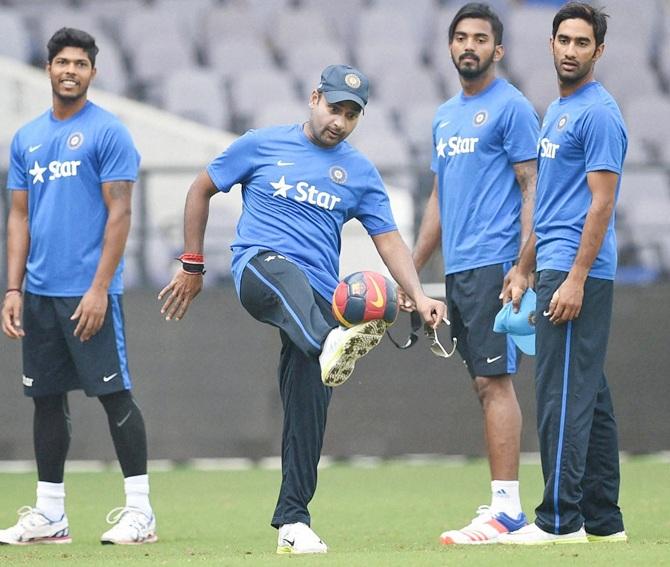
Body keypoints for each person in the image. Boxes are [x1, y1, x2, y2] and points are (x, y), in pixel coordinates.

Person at [158, 64, 446, 554]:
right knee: (307, 312)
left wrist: (418, 296)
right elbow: (199, 189)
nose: (340, 121)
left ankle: (294, 520)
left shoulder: (359, 172)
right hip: (260, 270)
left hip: (319, 297)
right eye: (335, 108)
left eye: (352, 114)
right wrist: (192, 264)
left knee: (309, 406)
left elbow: (390, 239)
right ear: (314, 98)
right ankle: (332, 343)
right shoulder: (261, 144)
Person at [0, 28, 156, 546]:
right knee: (46, 400)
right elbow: (18, 217)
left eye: (80, 64)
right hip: (39, 294)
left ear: (93, 72)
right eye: (62, 62)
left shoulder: (109, 132)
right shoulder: (25, 139)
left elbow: (121, 213)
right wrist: (13, 289)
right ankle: (50, 516)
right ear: (48, 69)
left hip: (89, 293)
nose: (70, 70)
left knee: (114, 396)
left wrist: (99, 288)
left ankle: (141, 512)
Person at [499, 2, 627, 544]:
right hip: (551, 263)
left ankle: (559, 522)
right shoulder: (555, 110)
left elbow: (600, 205)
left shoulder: (599, 113)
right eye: (564, 40)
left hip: (578, 271)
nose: (571, 50)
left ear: (598, 51)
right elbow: (553, 203)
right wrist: (524, 266)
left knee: (559, 395)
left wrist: (574, 277)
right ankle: (602, 521)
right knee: (587, 394)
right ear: (551, 44)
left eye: (582, 43)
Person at [411, 2, 539, 545]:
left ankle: (507, 509)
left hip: (495, 265)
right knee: (482, 384)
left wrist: (522, 266)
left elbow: (534, 187)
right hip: (459, 267)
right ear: (449, 47)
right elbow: (439, 198)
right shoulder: (444, 115)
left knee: (494, 381)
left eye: (480, 38)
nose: (469, 46)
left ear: (498, 49)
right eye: (461, 37)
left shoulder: (511, 108)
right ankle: (502, 502)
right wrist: (411, 272)